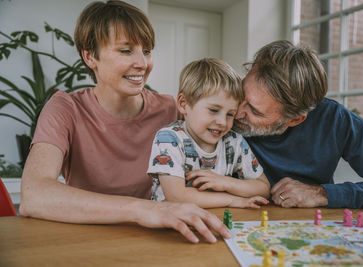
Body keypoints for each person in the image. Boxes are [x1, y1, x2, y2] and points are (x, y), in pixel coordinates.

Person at [19, 0, 231, 244]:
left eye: (147, 50)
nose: (143, 63)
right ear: (90, 56)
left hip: (159, 239)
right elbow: (33, 195)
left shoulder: (172, 109)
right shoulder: (65, 109)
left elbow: (234, 142)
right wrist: (146, 210)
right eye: (126, 50)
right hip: (86, 241)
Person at [233, 40, 363, 210]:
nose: (235, 113)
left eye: (255, 111)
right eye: (240, 94)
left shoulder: (334, 120)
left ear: (295, 120)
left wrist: (322, 194)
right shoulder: (217, 105)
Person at [147, 58, 270, 208]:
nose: (222, 122)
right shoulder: (169, 139)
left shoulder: (233, 141)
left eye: (230, 114)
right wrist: (232, 200)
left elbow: (263, 188)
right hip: (171, 224)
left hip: (219, 220)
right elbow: (176, 196)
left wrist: (226, 182)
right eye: (213, 110)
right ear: (183, 104)